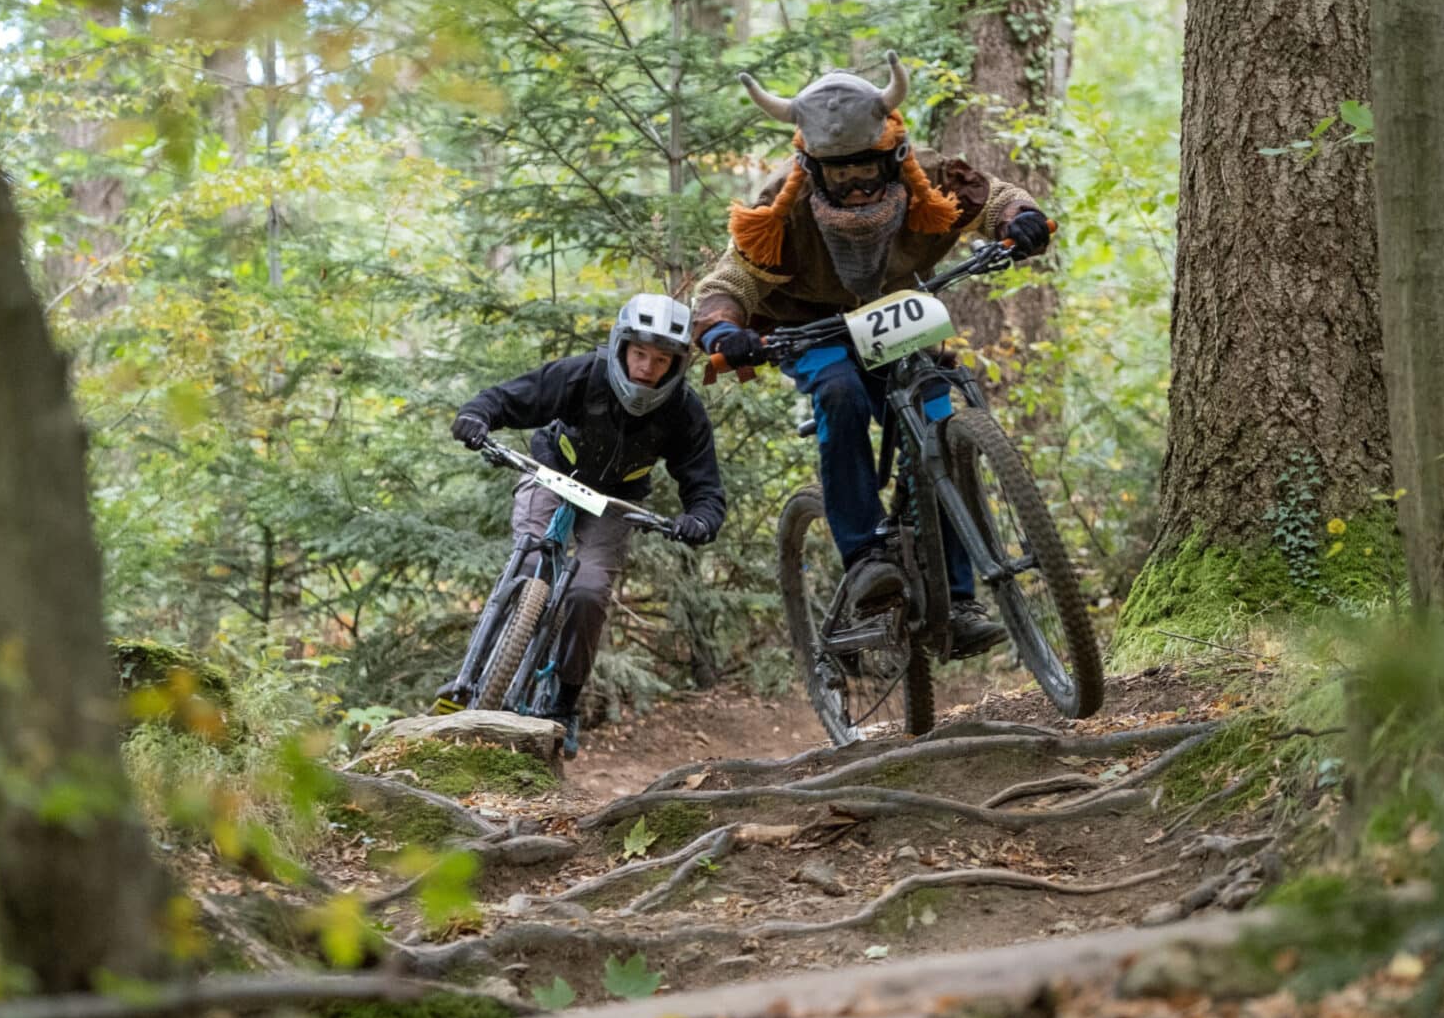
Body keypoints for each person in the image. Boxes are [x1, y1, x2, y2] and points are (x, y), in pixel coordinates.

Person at [691, 52, 1054, 656]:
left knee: (938, 418)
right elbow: (729, 281)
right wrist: (723, 329)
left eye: (866, 169)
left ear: (890, 156)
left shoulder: (924, 174)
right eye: (839, 175)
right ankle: (864, 559)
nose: (856, 186)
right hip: (808, 327)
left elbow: (995, 198)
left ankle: (959, 599)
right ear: (812, 168)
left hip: (894, 316)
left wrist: (1022, 219)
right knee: (840, 393)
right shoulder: (780, 202)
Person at [434, 293, 726, 756]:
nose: (647, 368)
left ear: (677, 364)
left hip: (615, 501)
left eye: (661, 360)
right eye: (640, 353)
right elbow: (512, 397)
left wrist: (701, 519)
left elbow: (704, 484)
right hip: (552, 472)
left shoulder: (683, 410)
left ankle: (564, 704)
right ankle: (470, 675)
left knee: (588, 592)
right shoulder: (584, 374)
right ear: (622, 346)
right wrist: (476, 415)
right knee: (531, 560)